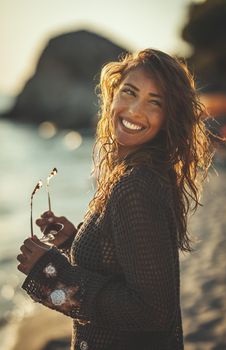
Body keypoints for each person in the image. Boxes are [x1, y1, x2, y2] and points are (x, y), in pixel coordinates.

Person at [17, 48, 213, 350]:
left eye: (154, 102)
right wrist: (74, 241)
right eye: (130, 92)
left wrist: (50, 270)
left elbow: (153, 312)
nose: (135, 110)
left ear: (168, 116)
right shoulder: (138, 173)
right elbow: (126, 265)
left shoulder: (135, 186)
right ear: (113, 95)